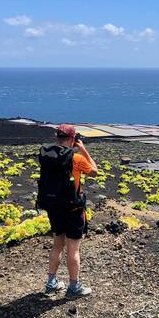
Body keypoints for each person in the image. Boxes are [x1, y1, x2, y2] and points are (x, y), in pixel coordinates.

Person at [36, 124, 97, 297]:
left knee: (57, 245)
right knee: (73, 249)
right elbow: (94, 171)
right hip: (73, 208)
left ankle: (51, 283)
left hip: (53, 207)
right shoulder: (75, 158)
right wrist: (83, 149)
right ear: (72, 139)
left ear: (57, 137)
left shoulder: (46, 155)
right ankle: (74, 287)